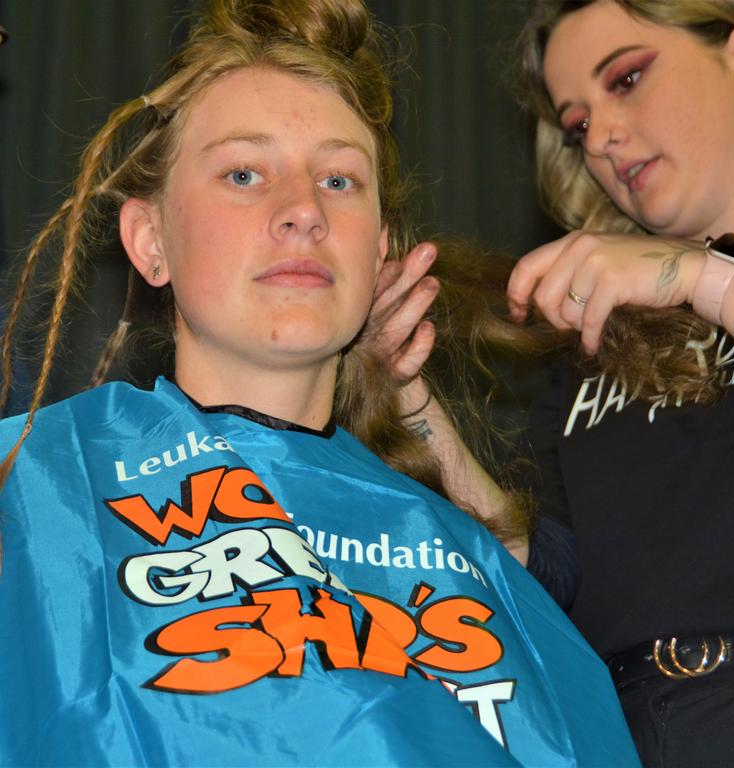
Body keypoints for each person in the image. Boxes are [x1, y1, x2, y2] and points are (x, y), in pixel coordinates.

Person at [0, 1, 639, 766]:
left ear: (381, 253)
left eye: (339, 179)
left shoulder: (468, 560)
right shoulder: (30, 484)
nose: (303, 210)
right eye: (244, 173)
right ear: (149, 241)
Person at [373, 1, 734, 765]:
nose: (604, 140)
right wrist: (405, 396)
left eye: (627, 78)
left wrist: (696, 273)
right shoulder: (600, 334)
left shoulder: (675, 279)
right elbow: (546, 579)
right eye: (579, 125)